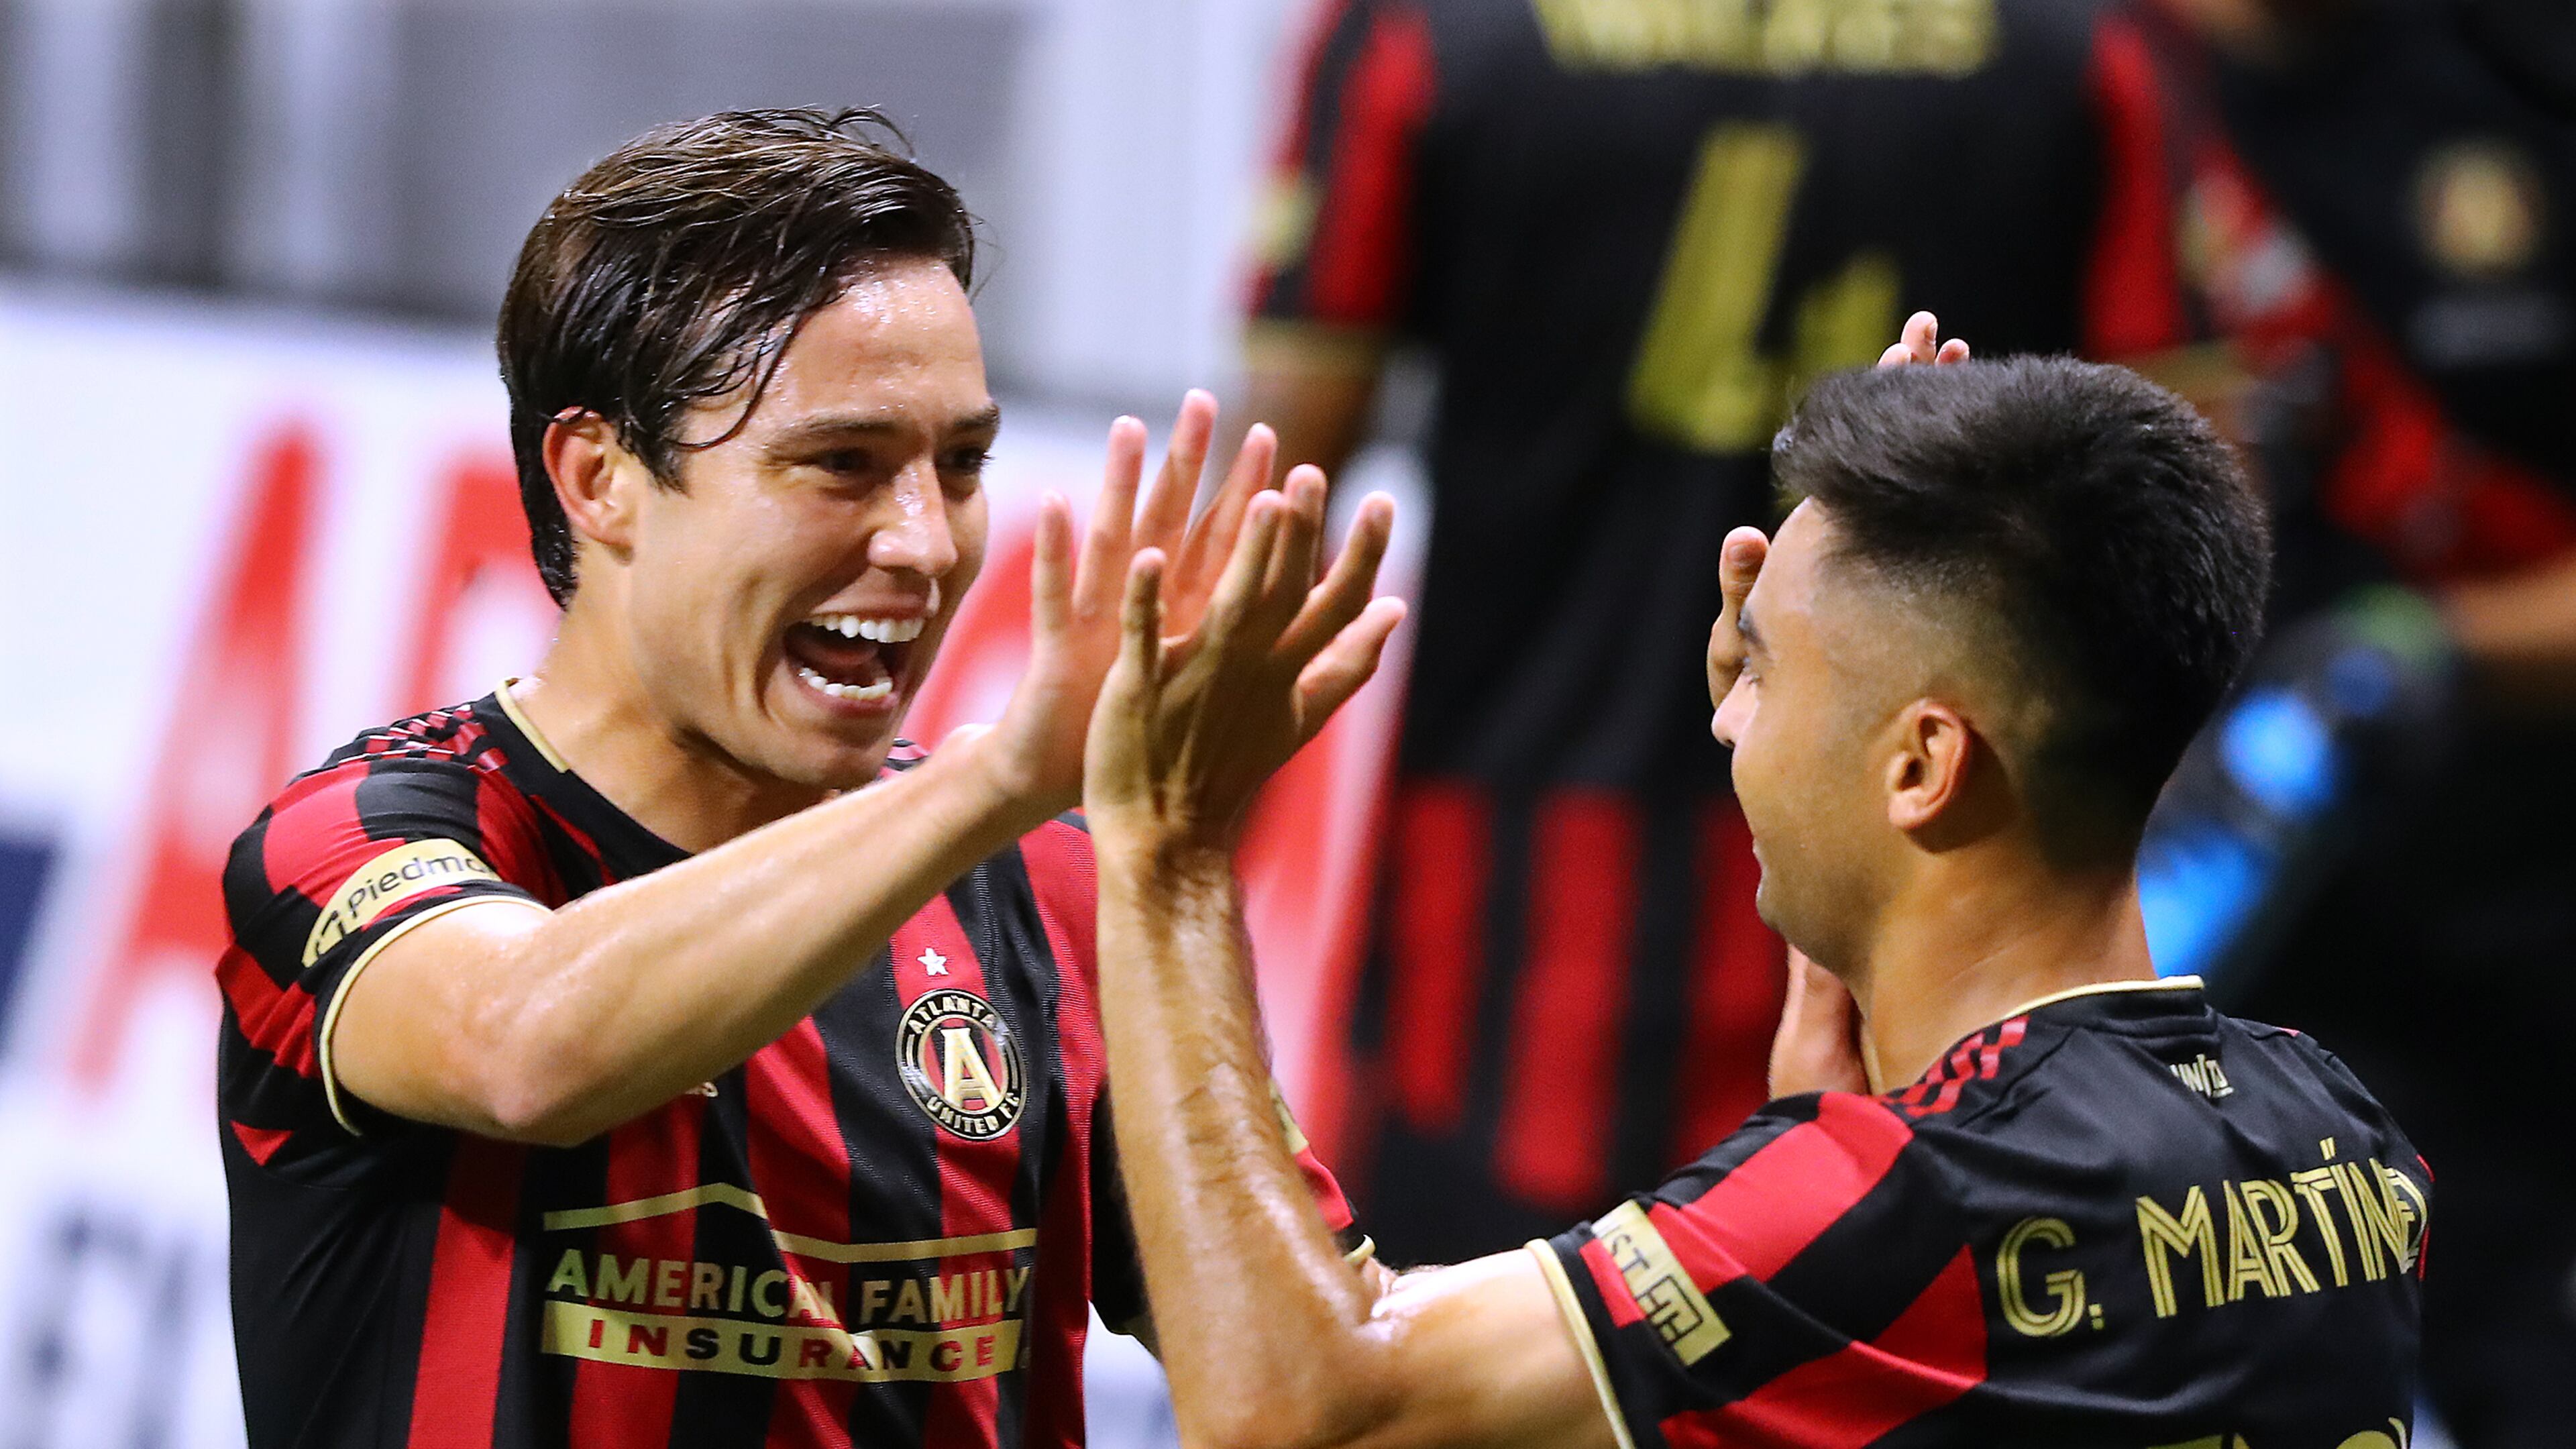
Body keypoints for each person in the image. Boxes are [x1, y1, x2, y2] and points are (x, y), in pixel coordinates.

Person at [211, 108, 1383, 1448]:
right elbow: (527, 1046)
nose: (926, 543)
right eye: (842, 465)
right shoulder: (355, 841)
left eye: (960, 464)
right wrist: (1005, 777)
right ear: (600, 477)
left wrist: (1676, 1279)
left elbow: (1333, 1381)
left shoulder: (1061, 895)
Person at [1081, 322, 2431, 1447]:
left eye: (1764, 672)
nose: (1726, 723)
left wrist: (1172, 854)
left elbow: (1303, 1402)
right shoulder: (2344, 1138)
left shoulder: (1899, 1211)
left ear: (1922, 765)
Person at [1238, 0, 2254, 1263]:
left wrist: (1173, 861)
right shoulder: (2088, 41)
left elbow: (1277, 497)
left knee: (1448, 1370)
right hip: (1931, 877)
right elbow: (2195, 490)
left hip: (1515, 928)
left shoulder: (1424, 31)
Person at [2087, 4, 2576, 1439]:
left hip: (2512, 947)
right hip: (2170, 967)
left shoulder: (2516, 78)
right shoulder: (2078, 80)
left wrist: (2437, 650)